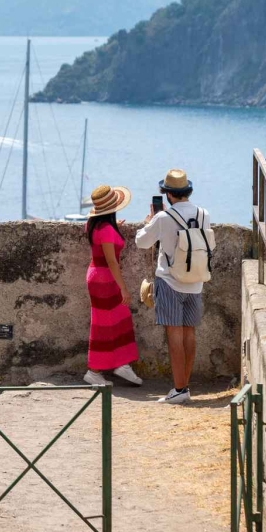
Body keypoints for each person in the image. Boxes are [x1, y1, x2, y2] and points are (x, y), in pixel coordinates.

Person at [135, 169, 212, 404]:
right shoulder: (203, 214)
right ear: (187, 190)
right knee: (189, 334)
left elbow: (141, 242)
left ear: (167, 194)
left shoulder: (163, 218)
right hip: (196, 281)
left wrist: (148, 221)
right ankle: (184, 387)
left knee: (174, 335)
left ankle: (179, 389)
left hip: (170, 281)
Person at [81, 184, 142, 388]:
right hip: (105, 279)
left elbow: (103, 243)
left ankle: (121, 363)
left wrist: (115, 232)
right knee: (105, 324)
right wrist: (123, 287)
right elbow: (112, 262)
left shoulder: (94, 224)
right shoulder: (106, 229)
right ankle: (94, 371)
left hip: (97, 276)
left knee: (117, 320)